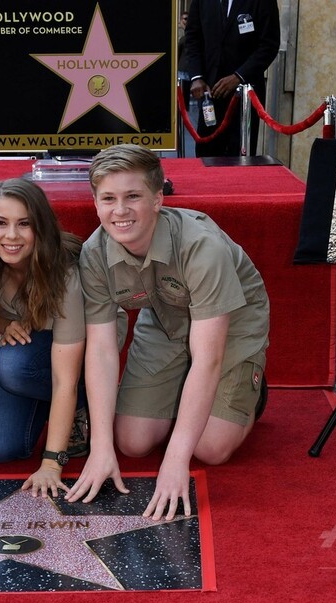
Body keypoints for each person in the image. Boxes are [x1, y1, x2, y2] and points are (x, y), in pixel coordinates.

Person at [67, 144, 270, 521]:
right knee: (131, 443)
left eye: (133, 196)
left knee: (210, 448)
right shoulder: (94, 253)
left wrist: (176, 461)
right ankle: (184, 399)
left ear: (158, 198)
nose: (120, 210)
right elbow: (101, 349)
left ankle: (250, 391)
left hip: (230, 327)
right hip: (164, 319)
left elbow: (208, 359)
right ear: (95, 203)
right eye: (108, 198)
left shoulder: (201, 247)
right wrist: (100, 447)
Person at [0, 178, 88, 498]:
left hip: (77, 349)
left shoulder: (63, 272)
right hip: (31, 354)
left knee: (11, 366)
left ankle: (85, 399)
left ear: (41, 226)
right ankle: (56, 404)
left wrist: (53, 463)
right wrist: (2, 323)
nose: (11, 235)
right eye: (0, 223)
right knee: (0, 448)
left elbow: (65, 376)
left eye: (24, 224)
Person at [183, 0, 280, 157]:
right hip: (210, 94)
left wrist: (238, 77)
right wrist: (196, 77)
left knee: (240, 160)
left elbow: (269, 45)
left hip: (245, 97)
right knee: (207, 157)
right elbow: (193, 37)